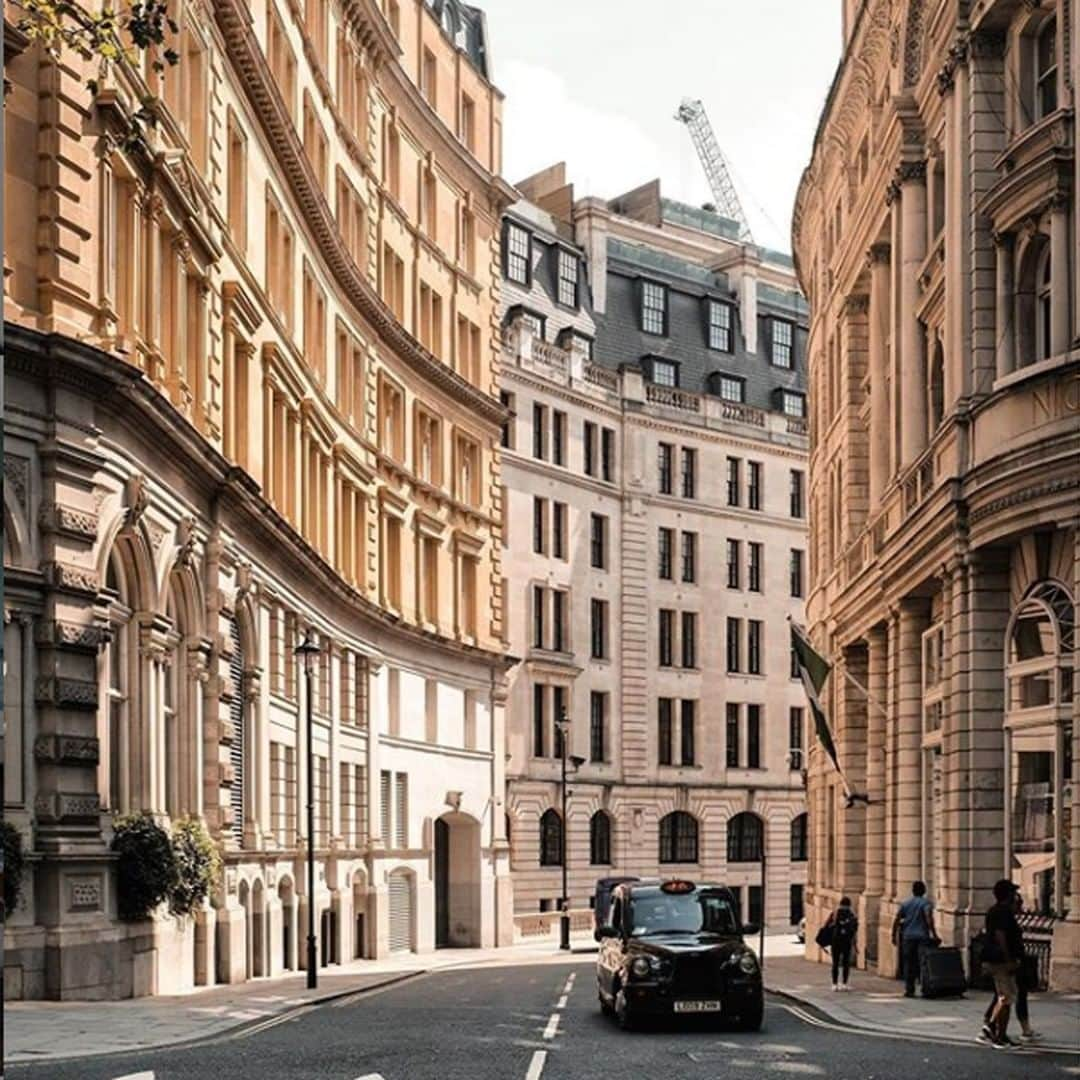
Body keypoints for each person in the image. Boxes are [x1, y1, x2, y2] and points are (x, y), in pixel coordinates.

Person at [979, 882, 1036, 1048]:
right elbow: (1000, 935)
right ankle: (998, 1035)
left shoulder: (996, 911)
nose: (1016, 897)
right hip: (1001, 961)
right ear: (1007, 895)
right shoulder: (1002, 912)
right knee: (1006, 998)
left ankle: (993, 1029)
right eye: (1013, 893)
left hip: (997, 960)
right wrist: (1008, 958)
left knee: (1005, 996)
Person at [891, 880, 937, 998]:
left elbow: (897, 919)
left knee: (909, 964)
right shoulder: (926, 903)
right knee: (923, 963)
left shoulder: (906, 904)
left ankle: (909, 989)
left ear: (913, 891)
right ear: (924, 891)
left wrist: (893, 935)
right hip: (922, 937)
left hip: (908, 937)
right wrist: (934, 934)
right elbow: (928, 918)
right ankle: (925, 988)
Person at [825, 896, 858, 991]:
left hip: (835, 941)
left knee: (835, 963)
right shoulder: (851, 915)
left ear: (840, 904)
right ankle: (844, 983)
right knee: (845, 963)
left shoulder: (834, 913)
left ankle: (834, 984)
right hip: (846, 941)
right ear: (849, 905)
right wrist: (854, 942)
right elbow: (855, 929)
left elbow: (826, 926)